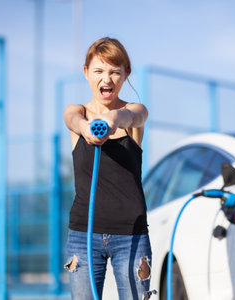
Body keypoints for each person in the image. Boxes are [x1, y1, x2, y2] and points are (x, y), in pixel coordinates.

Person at [63, 37, 153, 300]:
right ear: (86, 72)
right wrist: (86, 129)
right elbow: (73, 119)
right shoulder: (77, 112)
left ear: (126, 74)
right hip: (83, 235)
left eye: (115, 71)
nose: (107, 78)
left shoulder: (134, 112)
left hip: (131, 235)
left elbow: (132, 116)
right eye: (99, 71)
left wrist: (113, 119)